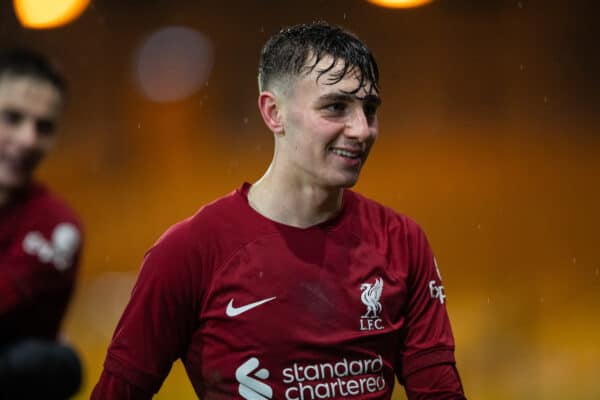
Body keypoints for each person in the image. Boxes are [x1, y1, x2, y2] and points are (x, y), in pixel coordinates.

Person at [92, 21, 466, 399]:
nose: (361, 129)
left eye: (369, 109)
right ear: (274, 113)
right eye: (336, 107)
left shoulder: (402, 242)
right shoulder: (190, 251)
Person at [0, 48, 83, 399]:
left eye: (44, 127)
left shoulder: (55, 225)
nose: (28, 139)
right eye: (12, 118)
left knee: (41, 363)